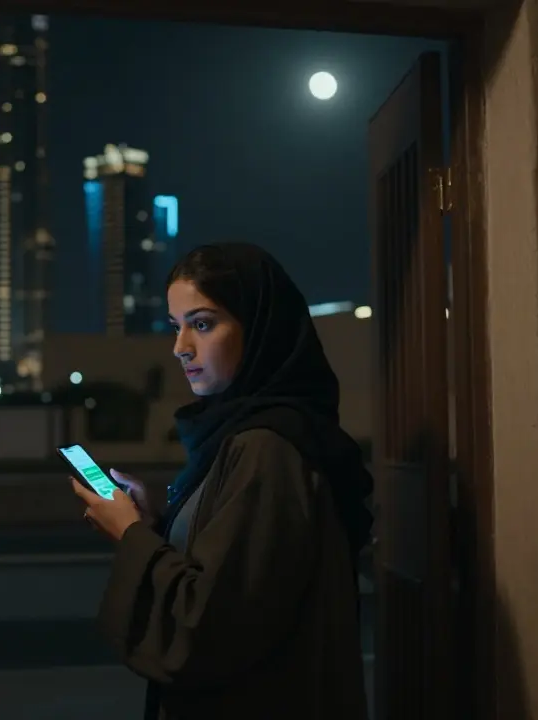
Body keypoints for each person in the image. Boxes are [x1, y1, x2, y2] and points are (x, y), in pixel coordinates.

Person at [70, 242, 373, 719]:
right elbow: (238, 567)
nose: (180, 347)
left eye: (203, 324)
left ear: (259, 330)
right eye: (176, 327)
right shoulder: (239, 439)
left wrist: (129, 535)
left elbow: (210, 625)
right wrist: (154, 524)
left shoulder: (267, 448)